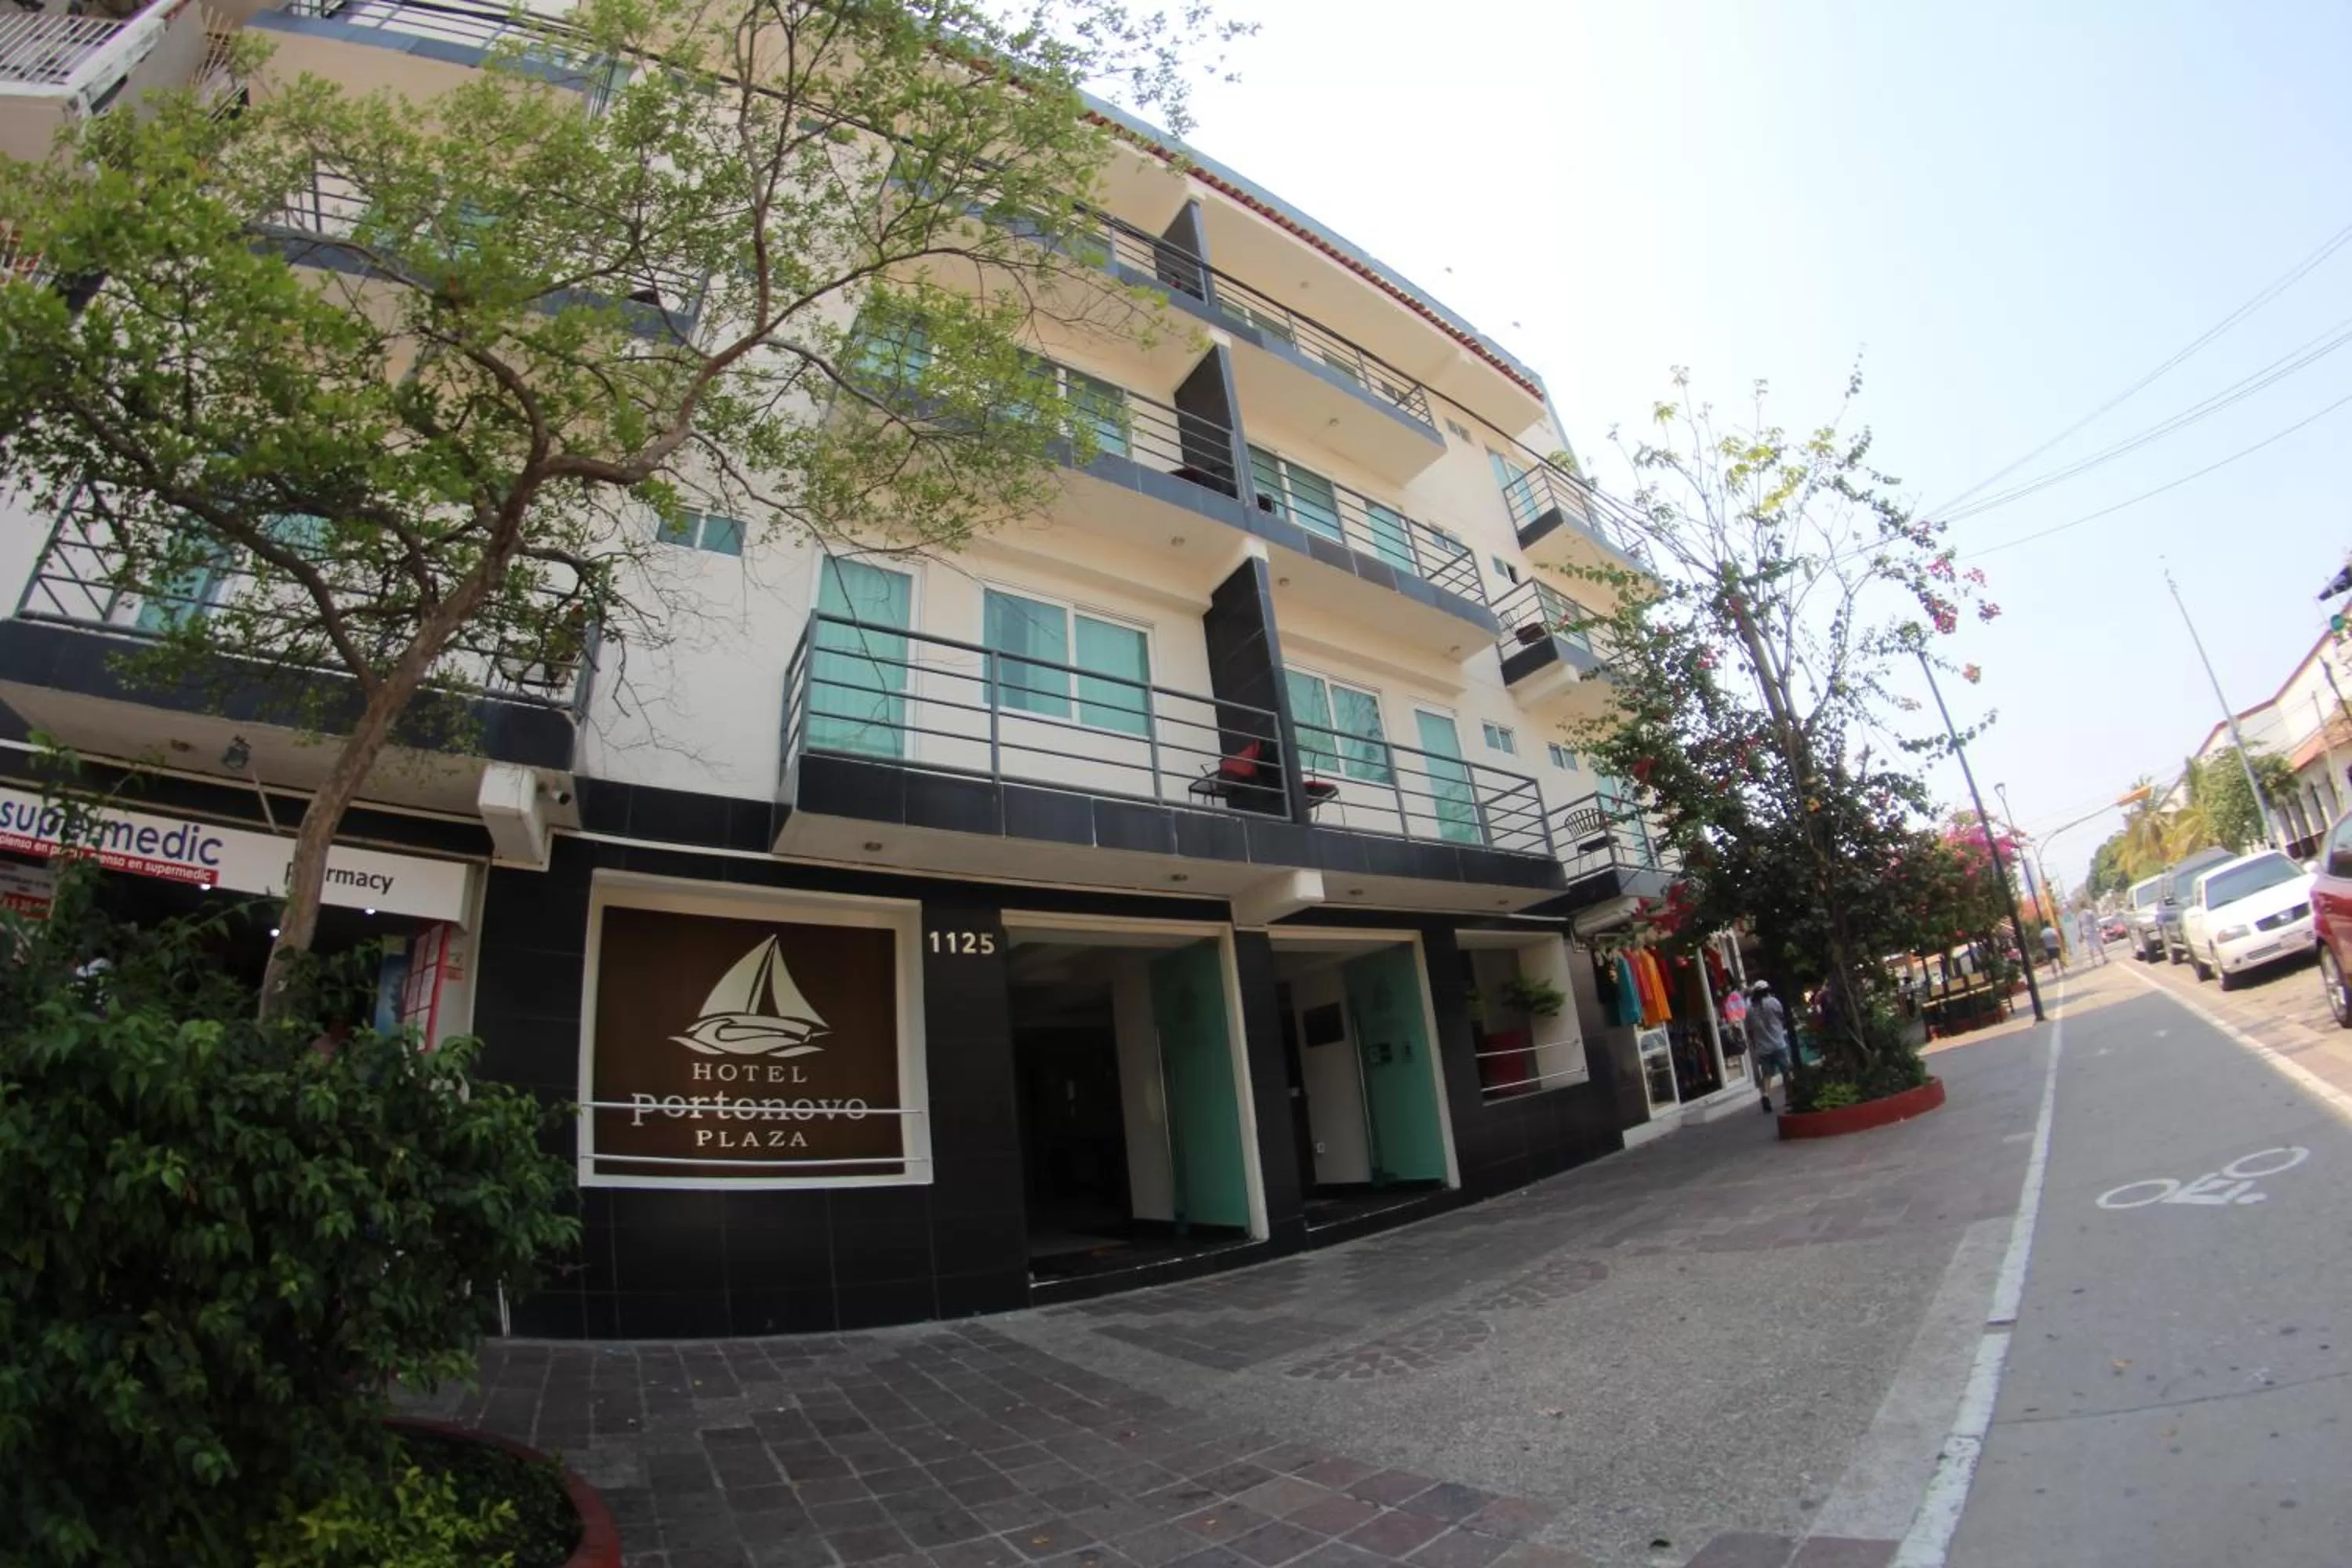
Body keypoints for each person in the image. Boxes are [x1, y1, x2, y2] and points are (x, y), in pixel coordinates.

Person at [1748, 980, 1790, 1112]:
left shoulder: (1750, 1009)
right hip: (1778, 1043)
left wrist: (1755, 1044)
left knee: (1767, 1074)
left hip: (1762, 1047)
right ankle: (1790, 1096)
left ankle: (1765, 1095)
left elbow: (1749, 1030)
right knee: (1786, 1071)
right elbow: (1782, 1017)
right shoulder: (1773, 1002)